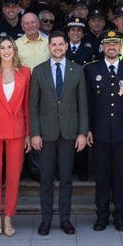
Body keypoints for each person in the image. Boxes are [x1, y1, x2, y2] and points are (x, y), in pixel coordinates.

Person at [29, 31, 89, 235]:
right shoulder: (38, 71)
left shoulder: (77, 70)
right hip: (45, 134)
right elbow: (33, 106)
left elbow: (83, 105)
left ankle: (65, 219)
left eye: (60, 44)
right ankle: (46, 219)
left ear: (66, 46)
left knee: (66, 179)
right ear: (48, 47)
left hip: (69, 132)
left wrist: (82, 133)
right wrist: (34, 133)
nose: (57, 48)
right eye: (53, 44)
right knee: (46, 179)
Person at [85, 30, 123, 231]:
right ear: (102, 46)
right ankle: (101, 216)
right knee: (102, 176)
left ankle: (120, 216)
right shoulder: (91, 70)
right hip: (99, 133)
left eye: (115, 43)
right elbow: (87, 103)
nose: (112, 47)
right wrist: (87, 129)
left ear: (121, 46)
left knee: (120, 176)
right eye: (108, 43)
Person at [0, 35, 30, 237]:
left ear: (15, 50)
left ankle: (8, 216)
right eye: (3, 48)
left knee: (13, 177)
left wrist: (28, 133)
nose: (7, 51)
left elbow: (27, 105)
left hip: (17, 131)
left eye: (10, 47)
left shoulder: (25, 73)